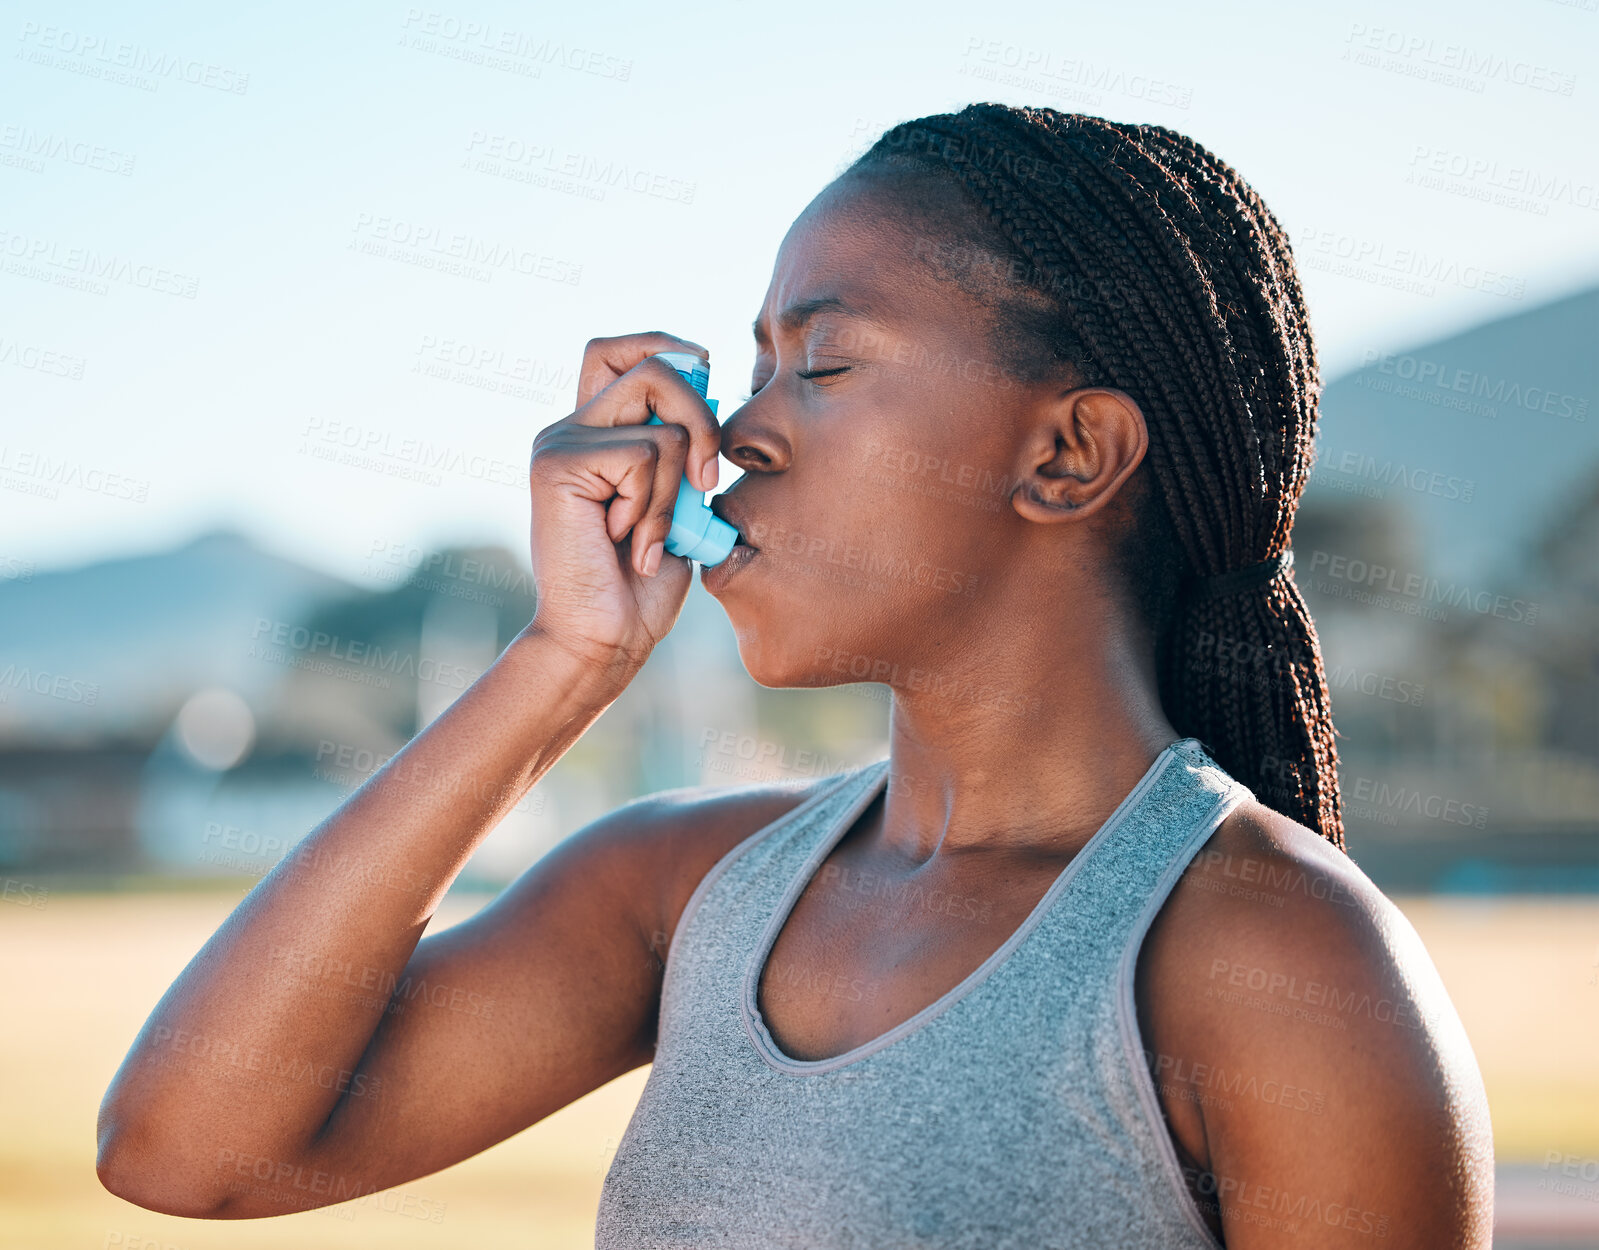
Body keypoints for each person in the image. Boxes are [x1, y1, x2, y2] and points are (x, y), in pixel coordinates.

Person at [97, 104, 1494, 1246]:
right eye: (753, 366)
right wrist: (563, 658)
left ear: (1068, 453)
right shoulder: (681, 889)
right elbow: (188, 1148)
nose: (734, 437)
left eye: (820, 362)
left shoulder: (1275, 962)